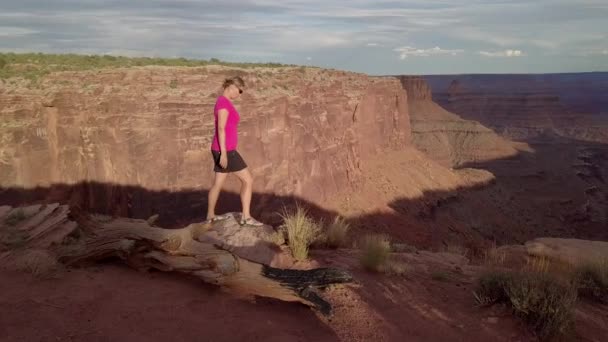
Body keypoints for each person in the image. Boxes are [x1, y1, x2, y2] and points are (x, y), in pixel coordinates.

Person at [206, 76, 264, 226]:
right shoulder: (224, 104)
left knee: (218, 183)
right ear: (231, 87)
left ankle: (210, 215)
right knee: (248, 180)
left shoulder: (223, 102)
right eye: (239, 91)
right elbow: (221, 128)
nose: (239, 95)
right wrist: (224, 154)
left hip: (220, 148)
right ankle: (246, 217)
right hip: (226, 151)